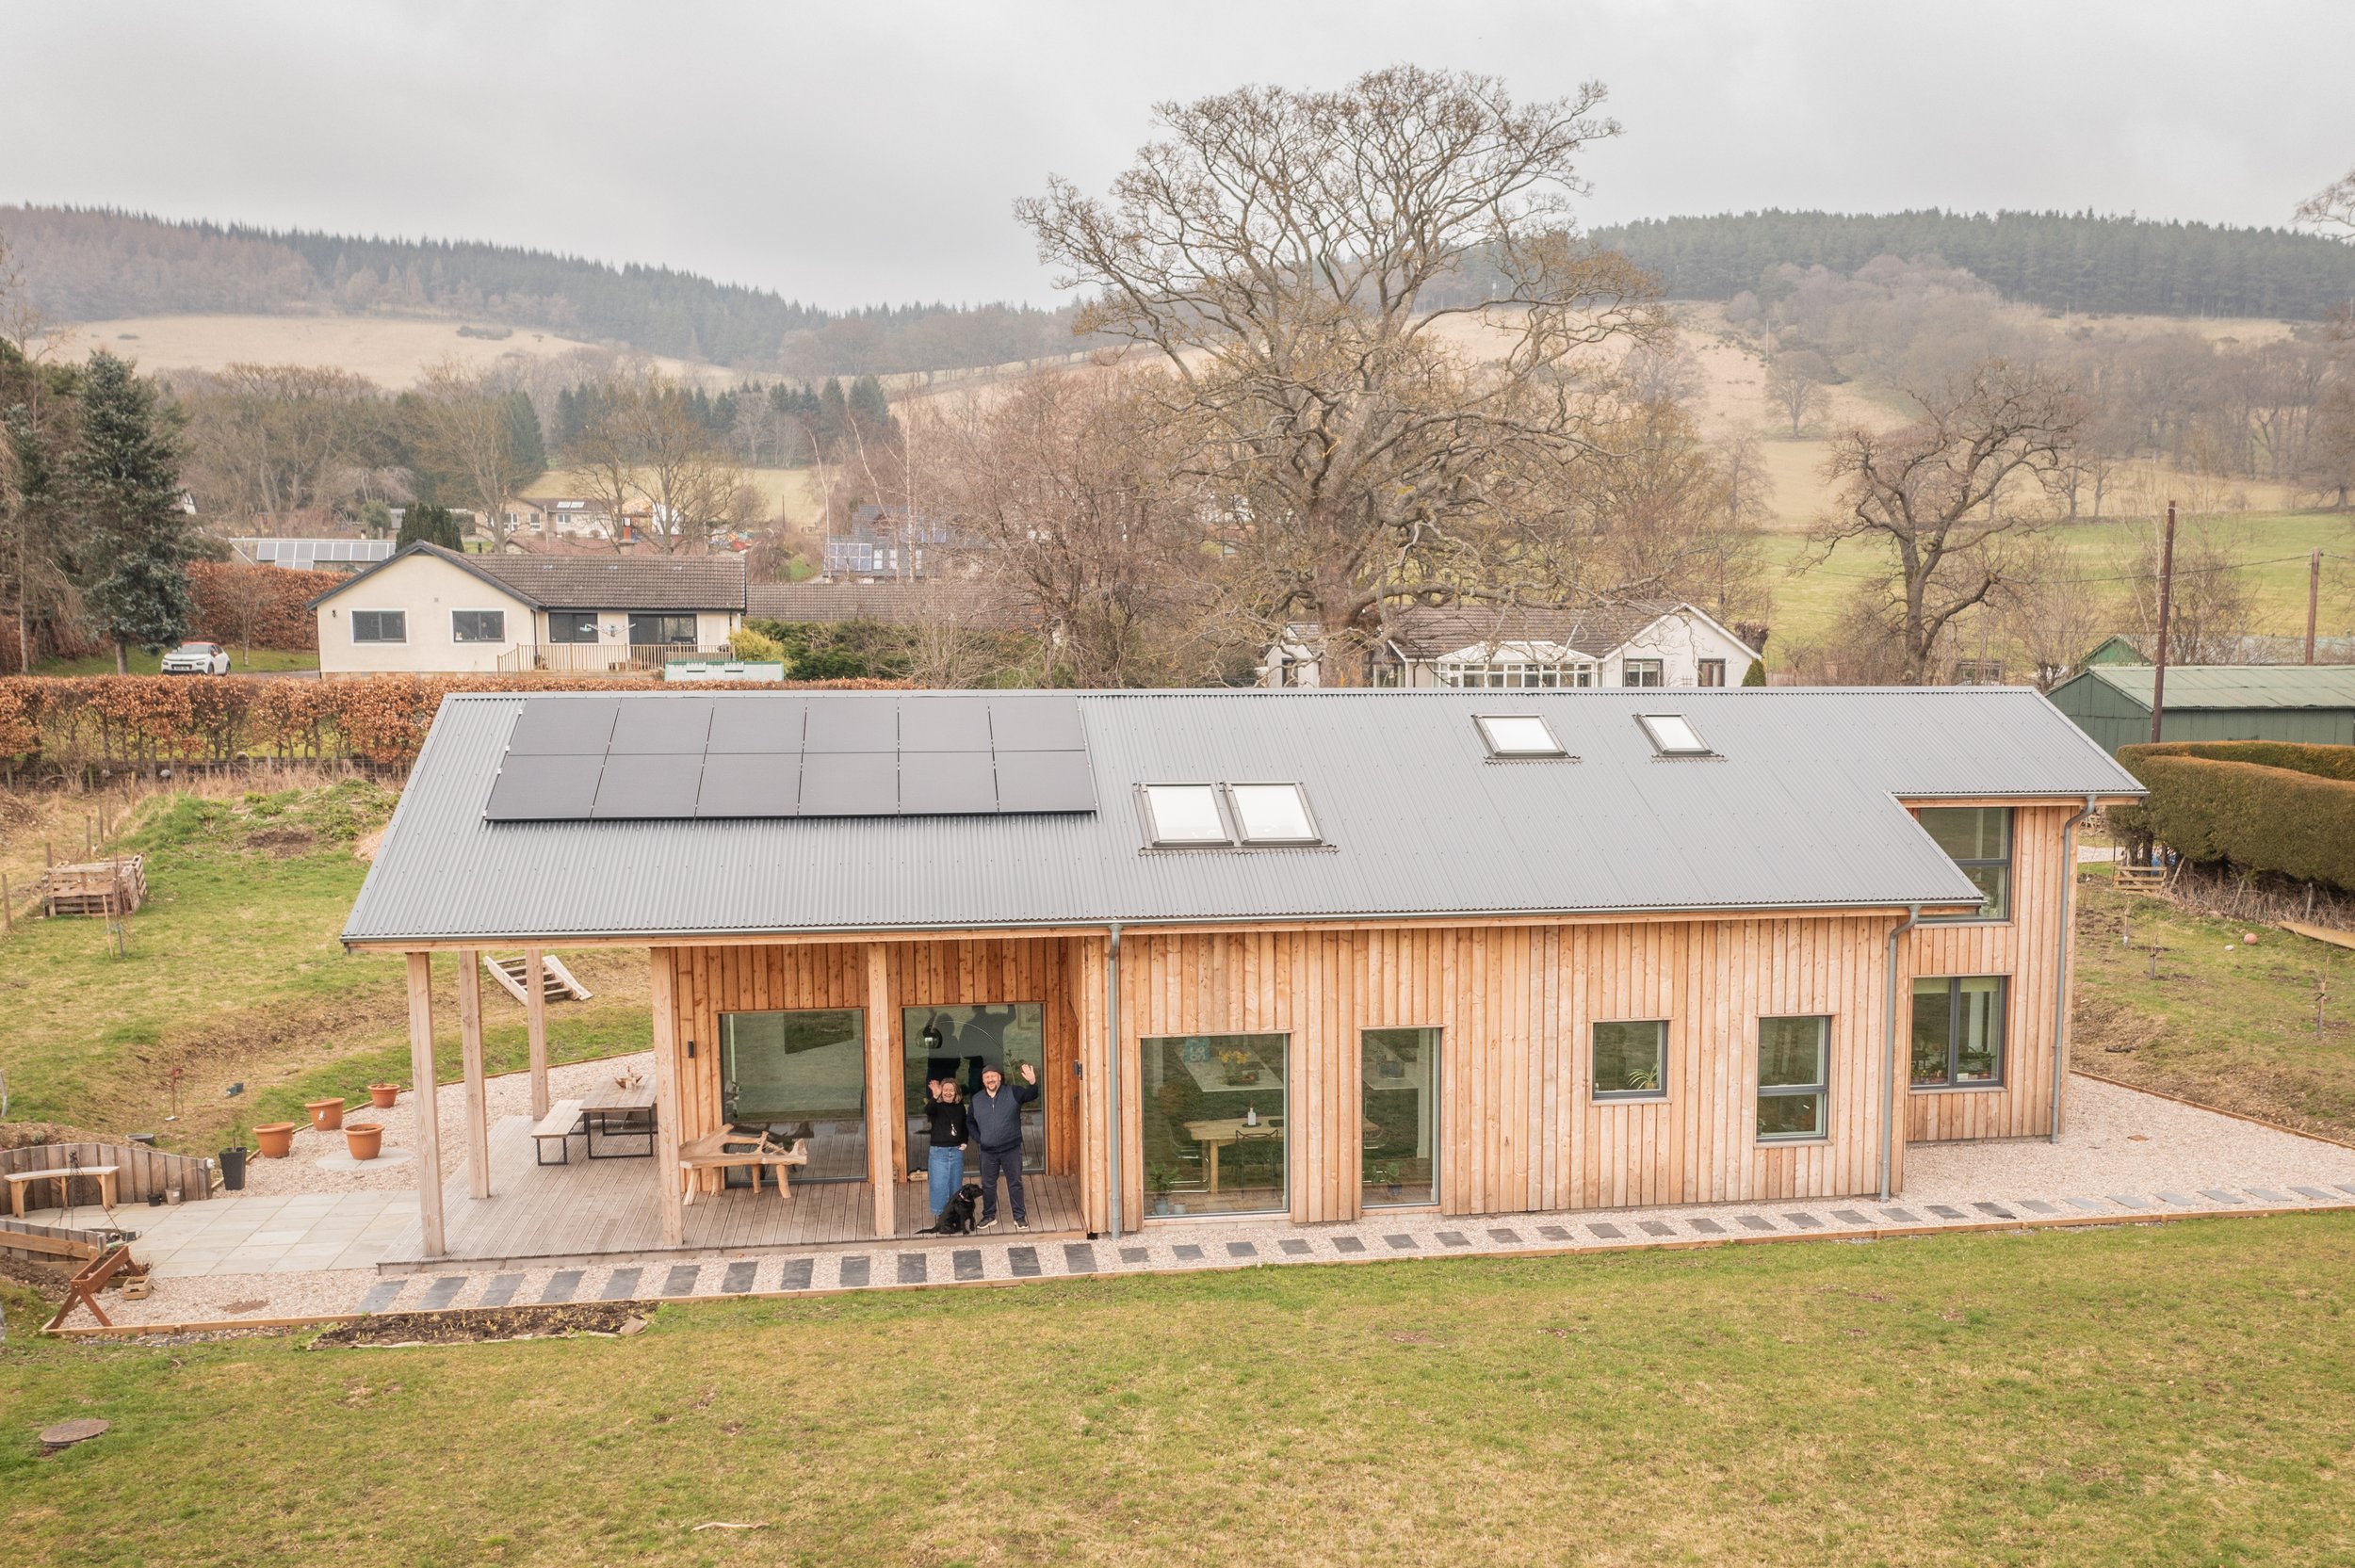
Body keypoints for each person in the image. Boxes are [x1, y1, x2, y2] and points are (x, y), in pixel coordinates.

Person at [966, 1059, 1039, 1231]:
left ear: (1000, 1078)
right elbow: (969, 1122)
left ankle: (1019, 1217)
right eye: (986, 1077)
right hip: (988, 1151)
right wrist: (980, 1138)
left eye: (993, 1076)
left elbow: (1032, 1095)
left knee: (1015, 1183)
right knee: (988, 1185)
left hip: (1010, 1149)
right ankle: (989, 1216)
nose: (990, 1079)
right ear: (983, 1081)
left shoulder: (1013, 1092)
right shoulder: (976, 1099)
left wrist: (1032, 1082)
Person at [918, 1076, 971, 1220]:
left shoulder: (960, 1107)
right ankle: (941, 1215)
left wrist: (965, 1141)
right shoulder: (936, 1105)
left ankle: (954, 1213)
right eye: (945, 1090)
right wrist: (935, 1096)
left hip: (956, 1151)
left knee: (955, 1184)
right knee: (938, 1184)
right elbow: (928, 1110)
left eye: (951, 1090)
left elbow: (964, 1126)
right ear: (941, 1092)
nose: (948, 1093)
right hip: (939, 1151)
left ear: (956, 1092)